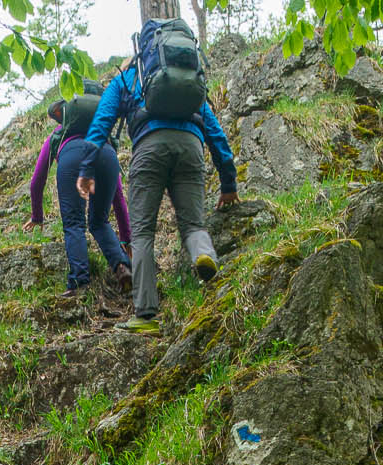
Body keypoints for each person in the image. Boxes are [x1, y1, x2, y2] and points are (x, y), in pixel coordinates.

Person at [74, 23, 238, 336]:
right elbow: (215, 132)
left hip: (149, 149)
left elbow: (100, 125)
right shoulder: (189, 79)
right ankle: (203, 254)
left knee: (143, 232)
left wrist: (86, 169)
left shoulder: (128, 77)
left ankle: (146, 315)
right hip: (191, 148)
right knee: (193, 224)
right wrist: (228, 182)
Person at [26, 93, 132, 299]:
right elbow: (118, 197)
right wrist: (126, 238)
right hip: (107, 156)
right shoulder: (104, 135)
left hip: (72, 156)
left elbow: (37, 181)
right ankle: (121, 266)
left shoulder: (59, 134)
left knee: (74, 223)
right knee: (100, 222)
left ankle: (79, 282)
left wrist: (37, 216)